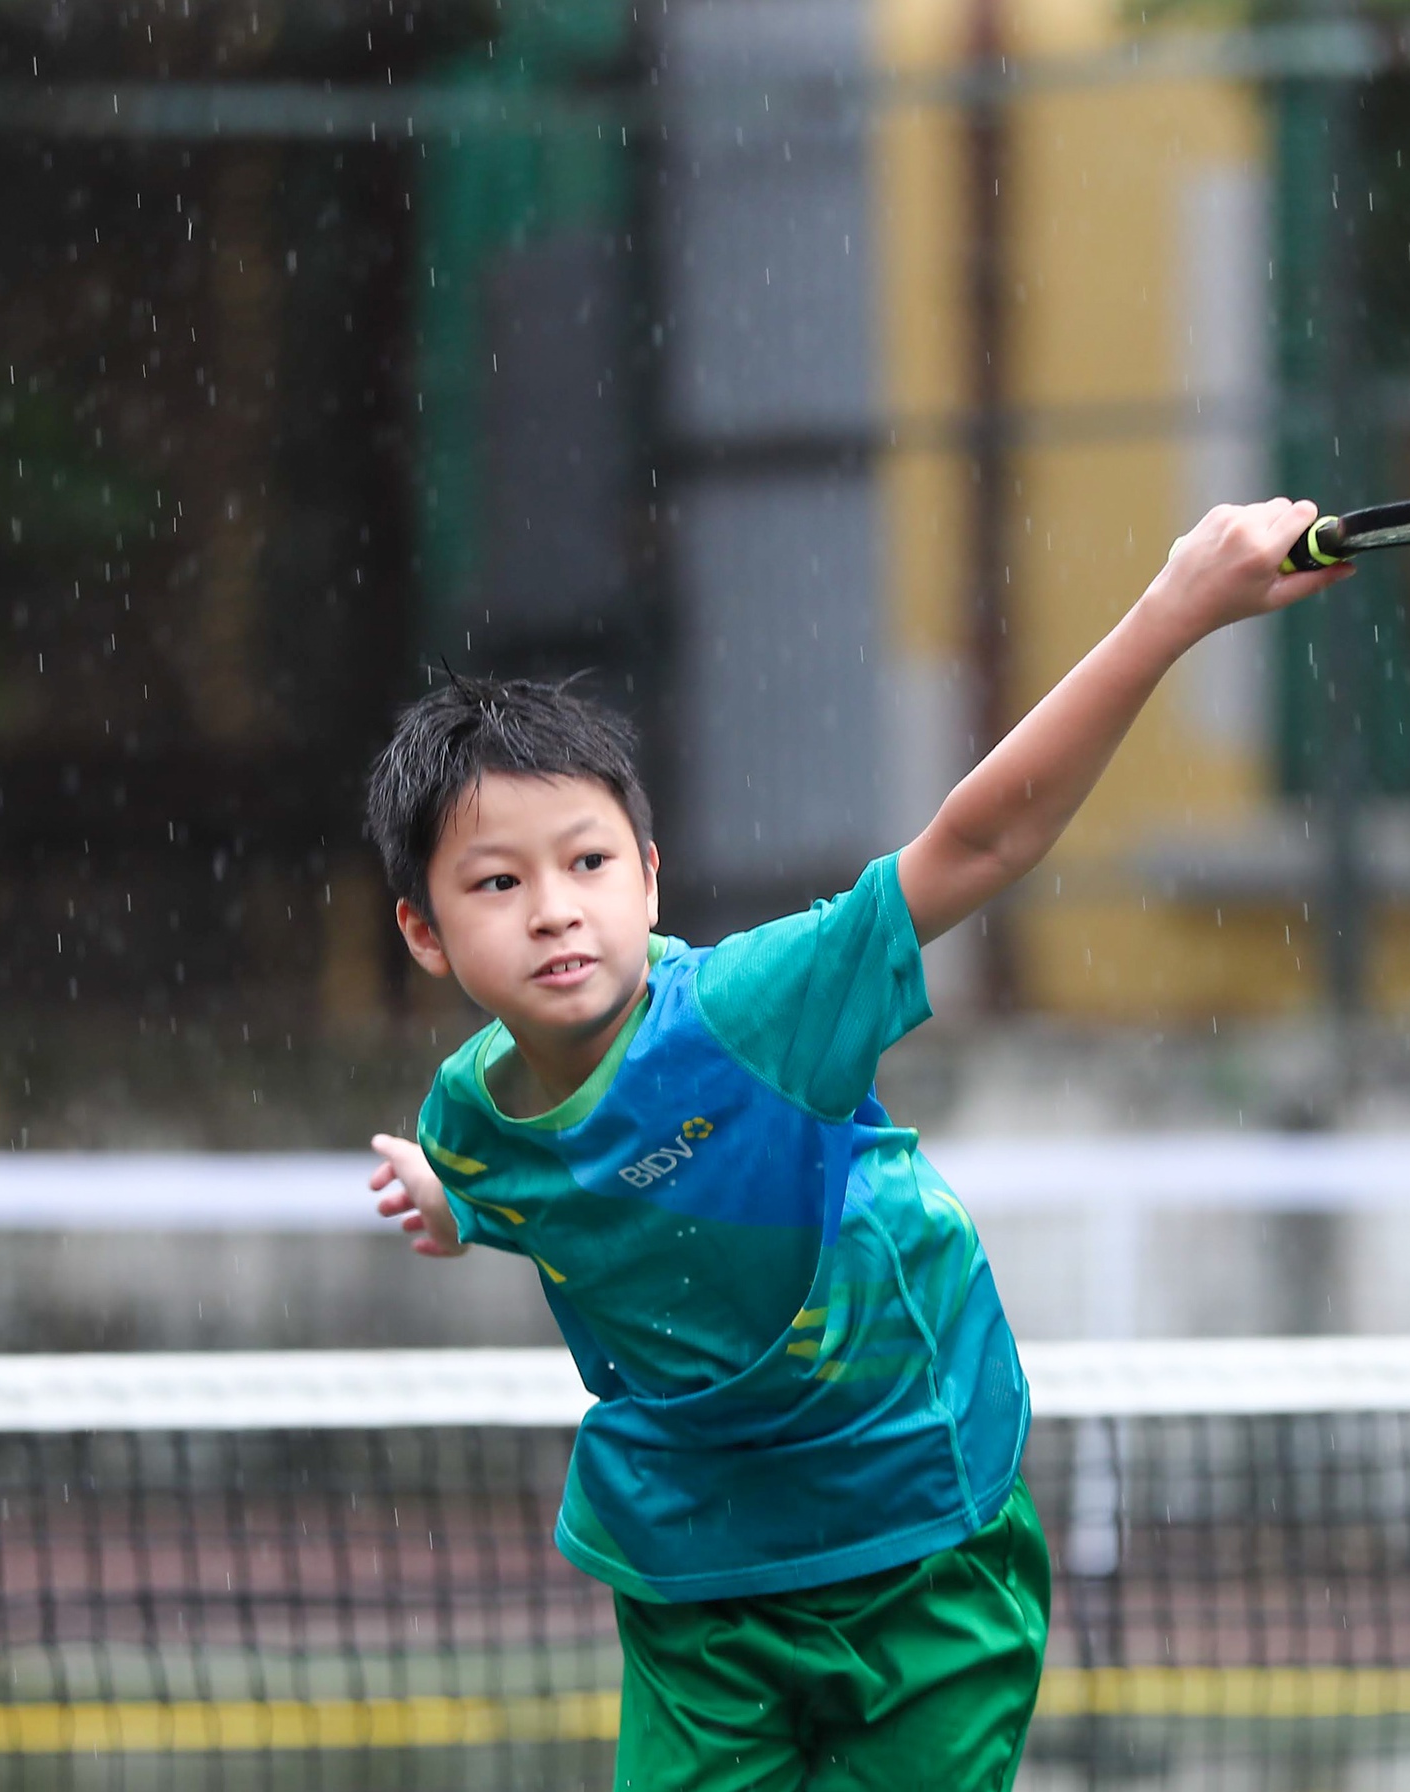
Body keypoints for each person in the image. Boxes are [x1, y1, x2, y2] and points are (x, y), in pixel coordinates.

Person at [361, 499, 1352, 1790]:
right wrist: (447, 1204)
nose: (556, 911)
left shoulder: (756, 1013)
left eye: (588, 862)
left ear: (649, 880)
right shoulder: (471, 1117)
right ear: (426, 934)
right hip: (698, 1570)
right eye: (498, 883)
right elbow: (516, 1187)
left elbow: (983, 840)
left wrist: (1175, 612)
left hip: (922, 1533)